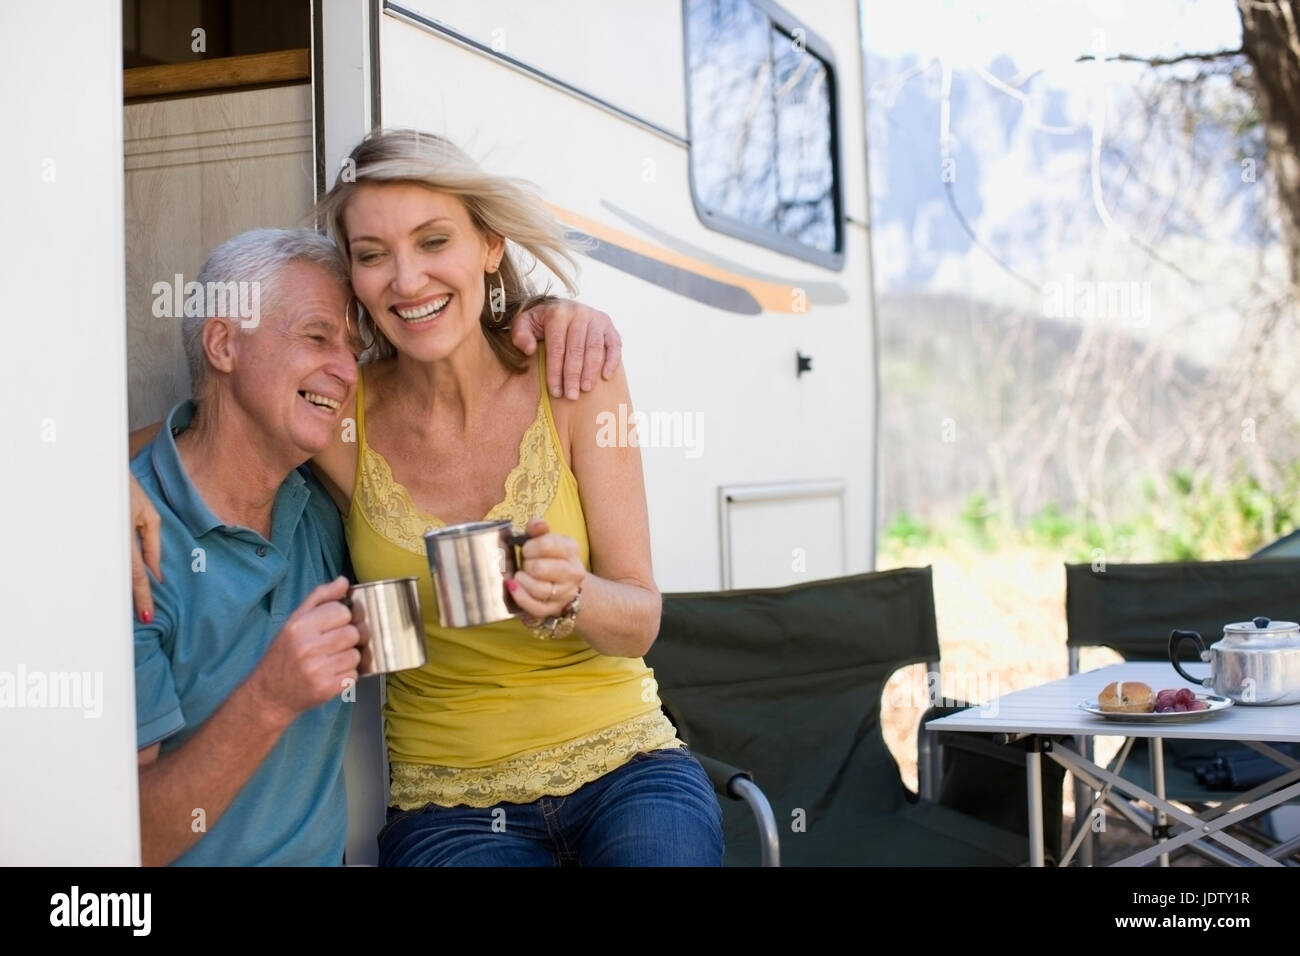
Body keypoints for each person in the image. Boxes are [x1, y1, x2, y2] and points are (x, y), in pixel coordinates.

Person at [128, 227, 621, 866]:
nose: (344, 370)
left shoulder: (320, 505)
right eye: (316, 336)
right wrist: (270, 699)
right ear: (223, 343)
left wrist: (549, 314)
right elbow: (123, 842)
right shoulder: (128, 548)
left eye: (351, 347)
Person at [306, 128, 724, 866]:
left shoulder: (572, 377)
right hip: (447, 806)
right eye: (372, 255)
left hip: (627, 769)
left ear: (489, 246)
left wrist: (575, 595)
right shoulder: (340, 417)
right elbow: (207, 438)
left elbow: (640, 620)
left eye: (434, 242)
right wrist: (124, 490)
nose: (406, 280)